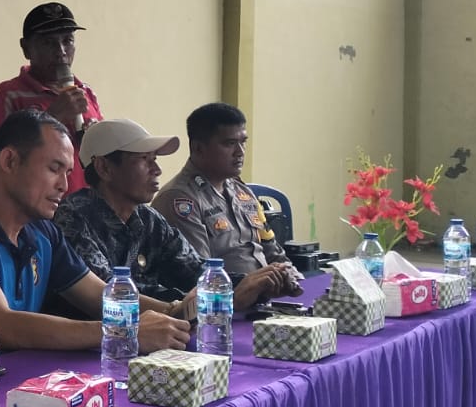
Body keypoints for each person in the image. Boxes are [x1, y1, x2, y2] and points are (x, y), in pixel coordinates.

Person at [0, 109, 191, 374]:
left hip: (11, 379)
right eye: (54, 169)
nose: (64, 185)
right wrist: (123, 332)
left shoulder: (43, 233)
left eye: (68, 173)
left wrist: (175, 311)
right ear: (9, 161)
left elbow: (101, 298)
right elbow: (0, 324)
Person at [52, 119, 296, 318]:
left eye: (155, 159)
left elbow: (195, 271)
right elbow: (110, 296)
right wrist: (220, 299)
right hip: (90, 348)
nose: (157, 170)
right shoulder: (73, 219)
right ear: (104, 168)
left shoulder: (148, 219)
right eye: (144, 160)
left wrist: (255, 284)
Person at [151, 102, 301, 297]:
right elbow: (198, 275)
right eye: (229, 143)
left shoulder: (242, 192)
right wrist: (257, 285)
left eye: (243, 142)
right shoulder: (180, 200)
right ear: (198, 148)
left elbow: (272, 251)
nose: (240, 152)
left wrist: (288, 273)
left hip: (268, 296)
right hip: (224, 303)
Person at [0, 2, 103, 194]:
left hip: (89, 207)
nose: (61, 51)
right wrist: (52, 117)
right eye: (48, 43)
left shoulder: (86, 92)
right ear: (26, 48)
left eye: (68, 40)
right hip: (37, 209)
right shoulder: (8, 94)